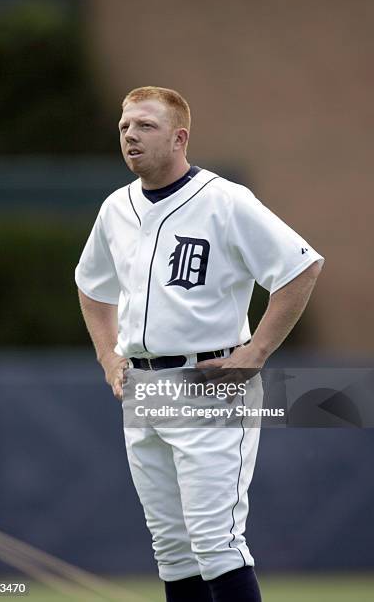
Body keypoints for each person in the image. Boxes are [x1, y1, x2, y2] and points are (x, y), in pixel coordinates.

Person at [75, 86, 324, 602]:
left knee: (217, 546)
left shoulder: (224, 199)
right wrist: (106, 353)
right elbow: (91, 283)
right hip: (143, 385)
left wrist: (255, 353)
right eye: (124, 127)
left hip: (207, 383)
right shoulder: (115, 207)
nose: (130, 136)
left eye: (145, 125)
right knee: (171, 549)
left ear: (179, 137)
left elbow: (301, 267)